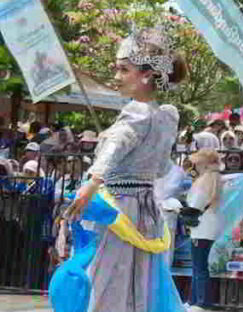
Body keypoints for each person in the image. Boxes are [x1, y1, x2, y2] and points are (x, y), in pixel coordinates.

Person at [64, 27, 188, 312]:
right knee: (140, 285)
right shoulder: (166, 116)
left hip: (118, 208)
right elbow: (159, 169)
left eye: (123, 70)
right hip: (146, 210)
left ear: (146, 75)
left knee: (105, 281)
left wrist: (91, 185)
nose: (117, 77)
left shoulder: (136, 112)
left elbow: (114, 149)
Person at [186, 149, 223, 312]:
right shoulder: (215, 179)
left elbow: (195, 205)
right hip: (211, 225)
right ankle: (195, 299)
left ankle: (201, 301)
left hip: (201, 227)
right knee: (201, 265)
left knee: (198, 266)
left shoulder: (203, 181)